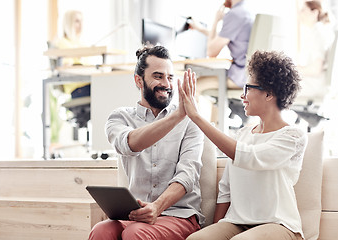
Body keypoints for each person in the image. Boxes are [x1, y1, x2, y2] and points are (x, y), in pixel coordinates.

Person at [179, 50, 308, 240]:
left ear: (269, 94)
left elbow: (251, 157)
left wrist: (197, 117)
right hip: (237, 223)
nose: (242, 95)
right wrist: (215, 230)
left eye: (248, 88)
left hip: (279, 224)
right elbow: (226, 190)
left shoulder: (292, 136)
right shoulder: (243, 135)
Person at [88, 45, 204, 240]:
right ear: (138, 80)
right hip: (136, 214)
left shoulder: (189, 121)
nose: (166, 84)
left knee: (135, 233)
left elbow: (187, 175)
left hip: (179, 214)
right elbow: (129, 145)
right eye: (158, 76)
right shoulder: (119, 118)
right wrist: (176, 117)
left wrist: (157, 207)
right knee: (101, 230)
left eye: (170, 77)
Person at [188, 0, 254, 92]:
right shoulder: (246, 12)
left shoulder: (234, 14)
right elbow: (221, 37)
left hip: (239, 78)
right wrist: (199, 28)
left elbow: (211, 52)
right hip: (251, 77)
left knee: (194, 85)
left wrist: (216, 20)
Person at [296, 0, 335, 100]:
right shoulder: (322, 31)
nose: (299, 13)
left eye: (303, 10)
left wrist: (293, 69)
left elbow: (315, 70)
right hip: (318, 84)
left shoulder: (318, 33)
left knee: (275, 86)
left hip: (314, 86)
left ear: (315, 12)